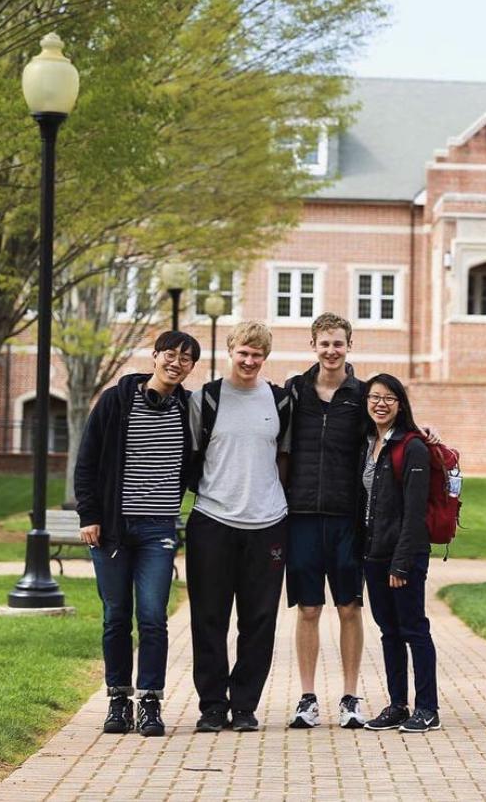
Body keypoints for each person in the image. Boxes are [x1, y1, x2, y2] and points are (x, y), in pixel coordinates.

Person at [74, 330, 201, 737]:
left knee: (151, 618)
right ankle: (117, 700)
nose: (176, 362)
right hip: (112, 529)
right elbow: (87, 460)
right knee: (115, 617)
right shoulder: (117, 400)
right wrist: (89, 516)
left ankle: (149, 701)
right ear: (155, 356)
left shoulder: (189, 409)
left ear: (191, 367)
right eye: (170, 354)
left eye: (186, 358)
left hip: (158, 529)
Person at [186, 320, 290, 733]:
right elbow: (190, 456)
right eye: (243, 352)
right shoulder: (206, 399)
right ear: (231, 350)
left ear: (265, 358)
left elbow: (286, 458)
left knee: (259, 620)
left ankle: (245, 705)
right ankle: (212, 706)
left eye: (257, 354)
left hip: (267, 523)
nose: (249, 360)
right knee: (209, 617)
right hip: (213, 520)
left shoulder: (280, 401)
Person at [282, 313, 369, 729]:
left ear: (349, 345)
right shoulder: (294, 391)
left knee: (350, 607)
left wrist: (427, 433)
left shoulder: (364, 394)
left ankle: (351, 698)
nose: (331, 351)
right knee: (309, 608)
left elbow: (394, 430)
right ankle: (307, 698)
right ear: (312, 345)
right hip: (300, 516)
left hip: (347, 518)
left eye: (338, 343)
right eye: (324, 343)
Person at [359, 373, 441, 734]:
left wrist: (402, 562)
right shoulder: (368, 444)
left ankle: (427, 708)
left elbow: (414, 511)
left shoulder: (413, 447)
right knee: (388, 632)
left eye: (389, 398)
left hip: (402, 557)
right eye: (375, 397)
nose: (380, 403)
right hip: (373, 555)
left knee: (413, 630)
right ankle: (397, 705)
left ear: (401, 404)